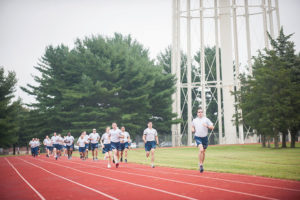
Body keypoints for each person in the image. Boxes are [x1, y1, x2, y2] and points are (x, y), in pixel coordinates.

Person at [192, 108, 214, 173]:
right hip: (197, 137)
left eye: (201, 112)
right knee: (201, 149)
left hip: (205, 137)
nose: (200, 113)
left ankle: (201, 164)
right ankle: (200, 164)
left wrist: (207, 126)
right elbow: (192, 126)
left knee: (203, 151)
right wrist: (192, 129)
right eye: (199, 112)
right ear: (197, 113)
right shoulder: (194, 120)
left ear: (203, 113)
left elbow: (212, 127)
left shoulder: (206, 119)